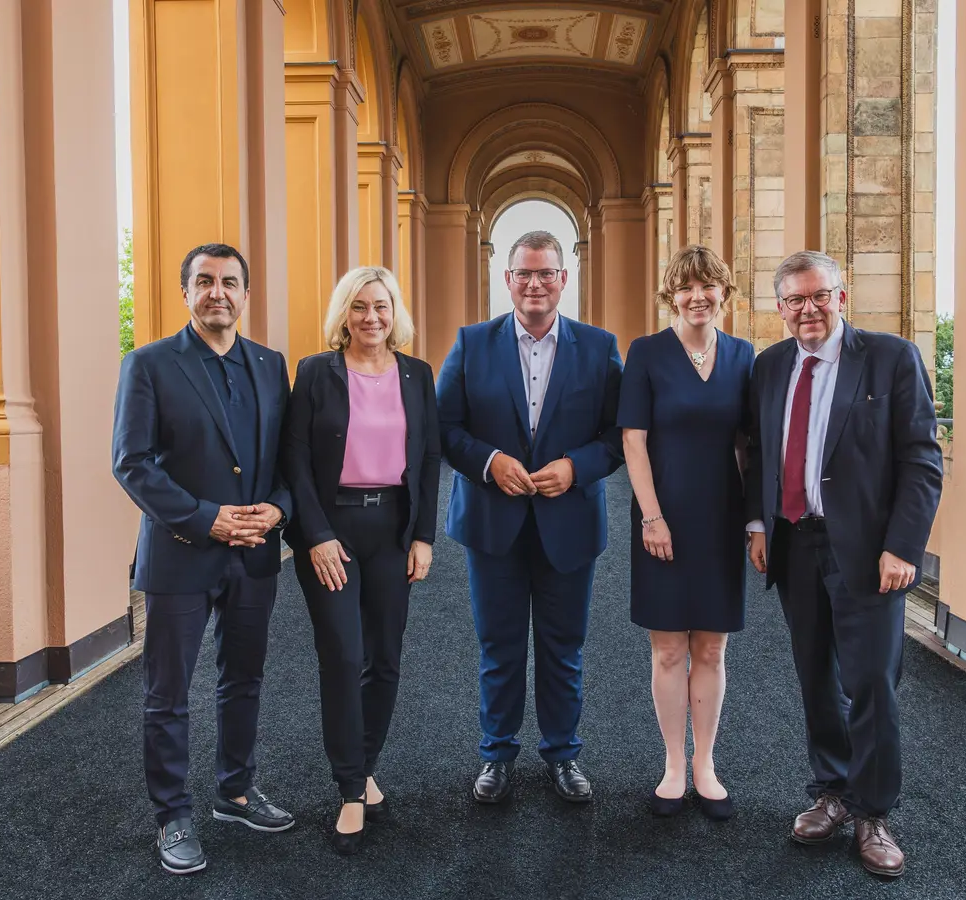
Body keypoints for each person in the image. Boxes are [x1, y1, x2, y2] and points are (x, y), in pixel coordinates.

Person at [744, 250, 942, 878]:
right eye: (795, 300)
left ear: (841, 296)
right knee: (815, 676)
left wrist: (904, 547)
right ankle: (829, 790)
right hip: (795, 542)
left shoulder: (890, 358)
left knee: (872, 681)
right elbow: (758, 450)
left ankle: (873, 812)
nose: (808, 309)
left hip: (867, 551)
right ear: (780, 309)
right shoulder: (770, 366)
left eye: (818, 296)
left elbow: (922, 462)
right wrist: (758, 523)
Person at [111, 242, 297, 875]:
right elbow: (130, 463)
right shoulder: (149, 365)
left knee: (243, 679)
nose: (218, 292)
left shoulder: (271, 366)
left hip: (254, 554)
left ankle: (237, 791)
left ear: (247, 295)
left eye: (230, 282)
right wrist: (206, 518)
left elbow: (287, 459)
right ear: (184, 292)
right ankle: (173, 815)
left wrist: (279, 509)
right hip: (181, 553)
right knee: (168, 692)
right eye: (205, 282)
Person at [436, 230, 624, 805]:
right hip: (492, 522)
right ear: (508, 279)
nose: (535, 283)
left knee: (564, 646)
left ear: (564, 279)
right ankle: (496, 754)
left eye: (547, 273)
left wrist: (577, 467)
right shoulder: (471, 344)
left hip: (569, 520)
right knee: (499, 645)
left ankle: (563, 754)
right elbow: (445, 430)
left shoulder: (599, 347)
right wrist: (489, 462)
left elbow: (618, 435)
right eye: (525, 273)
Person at [282, 266, 440, 856]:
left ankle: (364, 762)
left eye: (381, 306)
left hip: (393, 528)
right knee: (343, 656)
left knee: (386, 659)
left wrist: (423, 536)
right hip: (333, 530)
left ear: (395, 311)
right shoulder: (316, 373)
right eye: (359, 307)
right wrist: (316, 535)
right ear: (342, 314)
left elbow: (428, 459)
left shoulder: (416, 375)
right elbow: (295, 461)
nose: (371, 318)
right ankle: (351, 787)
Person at [618, 245, 754, 821]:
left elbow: (751, 445)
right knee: (670, 647)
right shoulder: (646, 353)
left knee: (713, 647)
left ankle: (706, 764)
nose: (698, 296)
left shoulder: (745, 356)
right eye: (686, 287)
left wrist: (755, 520)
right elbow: (633, 440)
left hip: (721, 519)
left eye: (709, 286)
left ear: (725, 293)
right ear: (670, 295)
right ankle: (673, 764)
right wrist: (652, 516)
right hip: (662, 519)